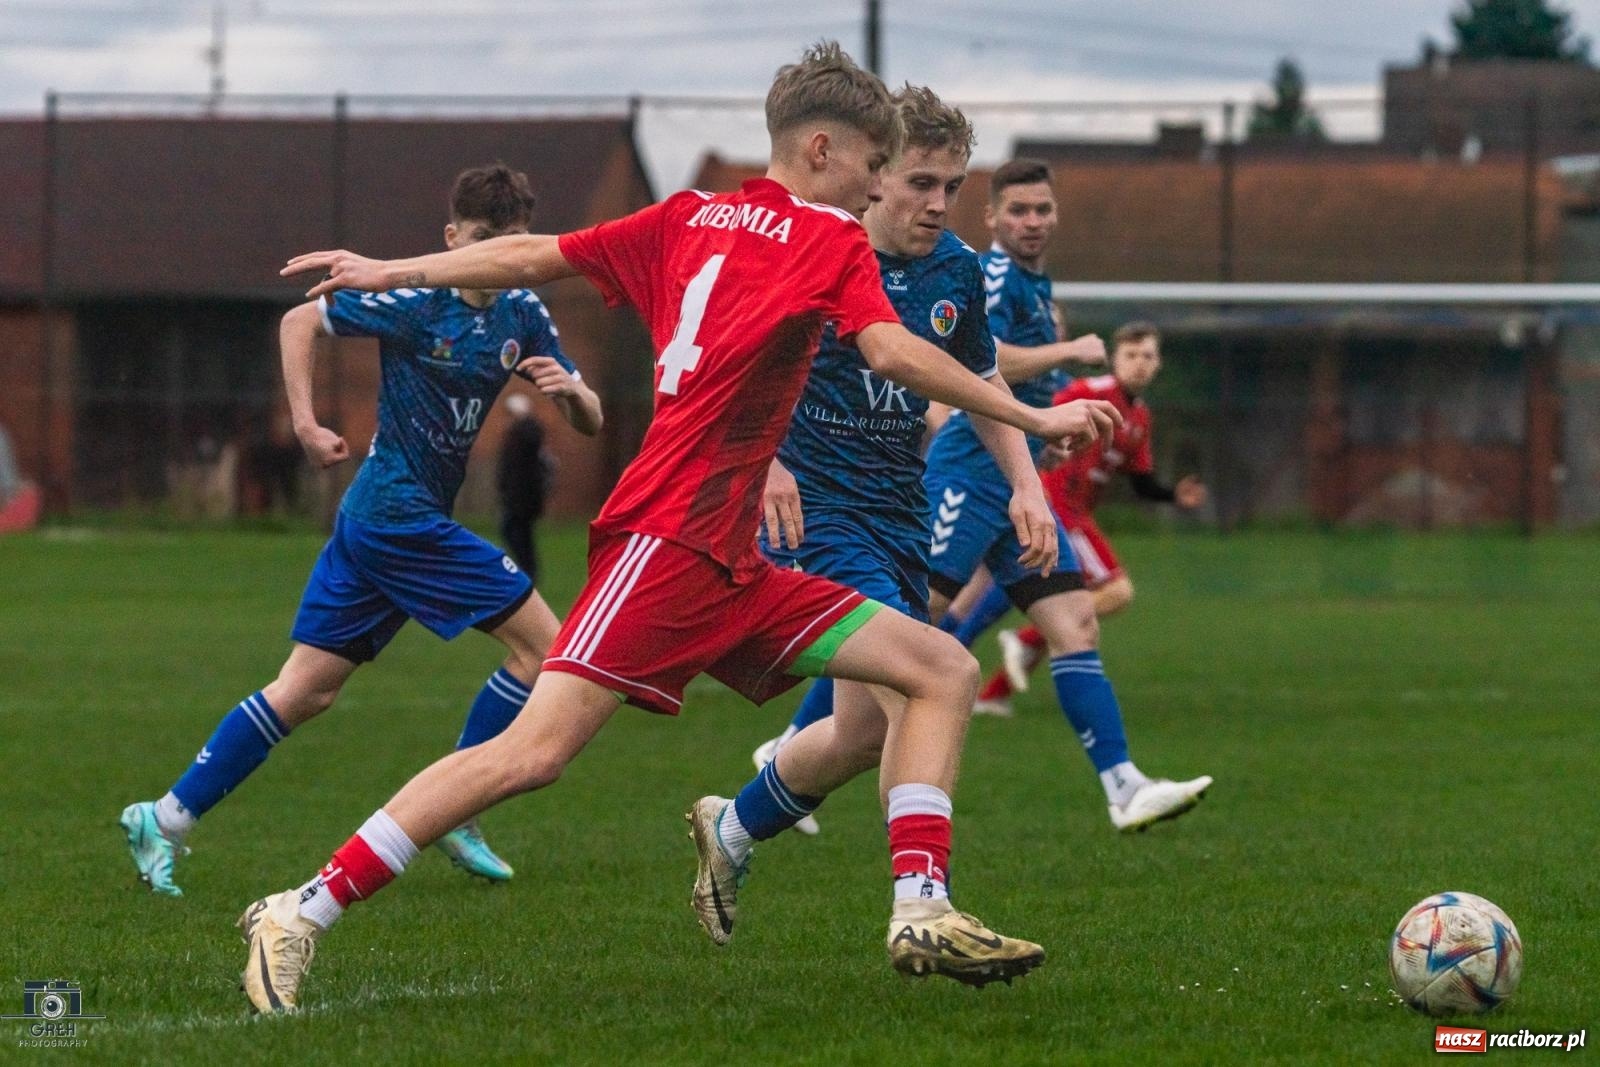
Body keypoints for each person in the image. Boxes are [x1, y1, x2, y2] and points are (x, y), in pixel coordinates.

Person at [238, 42, 1122, 1012]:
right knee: (533, 753)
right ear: (822, 149)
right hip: (664, 544)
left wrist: (390, 265)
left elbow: (539, 256)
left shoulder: (684, 217)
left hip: (734, 559)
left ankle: (920, 902)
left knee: (940, 667)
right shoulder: (826, 242)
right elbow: (891, 352)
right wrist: (1038, 419)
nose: (879, 185)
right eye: (877, 164)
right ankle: (300, 906)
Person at [118, 163, 603, 897]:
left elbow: (589, 417)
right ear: (451, 238)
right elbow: (298, 319)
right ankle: (458, 807)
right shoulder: (414, 303)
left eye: (510, 246)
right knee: (547, 650)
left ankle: (165, 817)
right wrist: (307, 423)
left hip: (375, 521)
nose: (496, 263)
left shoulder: (523, 313)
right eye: (481, 242)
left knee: (305, 690)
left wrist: (577, 398)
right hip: (397, 520)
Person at [740, 85, 1032, 840]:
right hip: (816, 518)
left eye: (953, 187)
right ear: (877, 177)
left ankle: (731, 829)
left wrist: (1027, 485)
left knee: (860, 734)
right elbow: (732, 361)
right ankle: (923, 897)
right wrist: (766, 460)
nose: (939, 204)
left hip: (898, 513)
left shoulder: (956, 272)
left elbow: (980, 379)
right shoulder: (812, 248)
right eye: (920, 183)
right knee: (931, 678)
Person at [918, 158, 1213, 832]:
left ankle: (1123, 786)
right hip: (969, 471)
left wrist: (1045, 441)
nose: (1032, 221)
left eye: (1042, 209)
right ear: (991, 218)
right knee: (909, 618)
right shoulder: (992, 277)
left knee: (1076, 620)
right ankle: (792, 744)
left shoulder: (1034, 282)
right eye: (1018, 210)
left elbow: (1016, 387)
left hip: (1018, 476)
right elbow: (976, 359)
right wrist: (1069, 350)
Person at [971, 322, 1208, 714]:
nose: (1140, 364)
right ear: (1114, 360)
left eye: (1148, 356)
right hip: (1056, 506)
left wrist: (1173, 496)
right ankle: (1023, 641)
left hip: (1076, 513)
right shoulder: (1089, 392)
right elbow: (1036, 417)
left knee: (1051, 605)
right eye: (1131, 355)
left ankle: (995, 693)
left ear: (1159, 363)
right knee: (1114, 593)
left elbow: (1141, 478)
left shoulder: (1140, 417)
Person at [496, 391, 552, 582]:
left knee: (515, 532)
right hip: (517, 496)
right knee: (518, 533)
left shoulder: (526, 432)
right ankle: (527, 571)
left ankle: (528, 571)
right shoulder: (516, 435)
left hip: (523, 497)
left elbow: (533, 438)